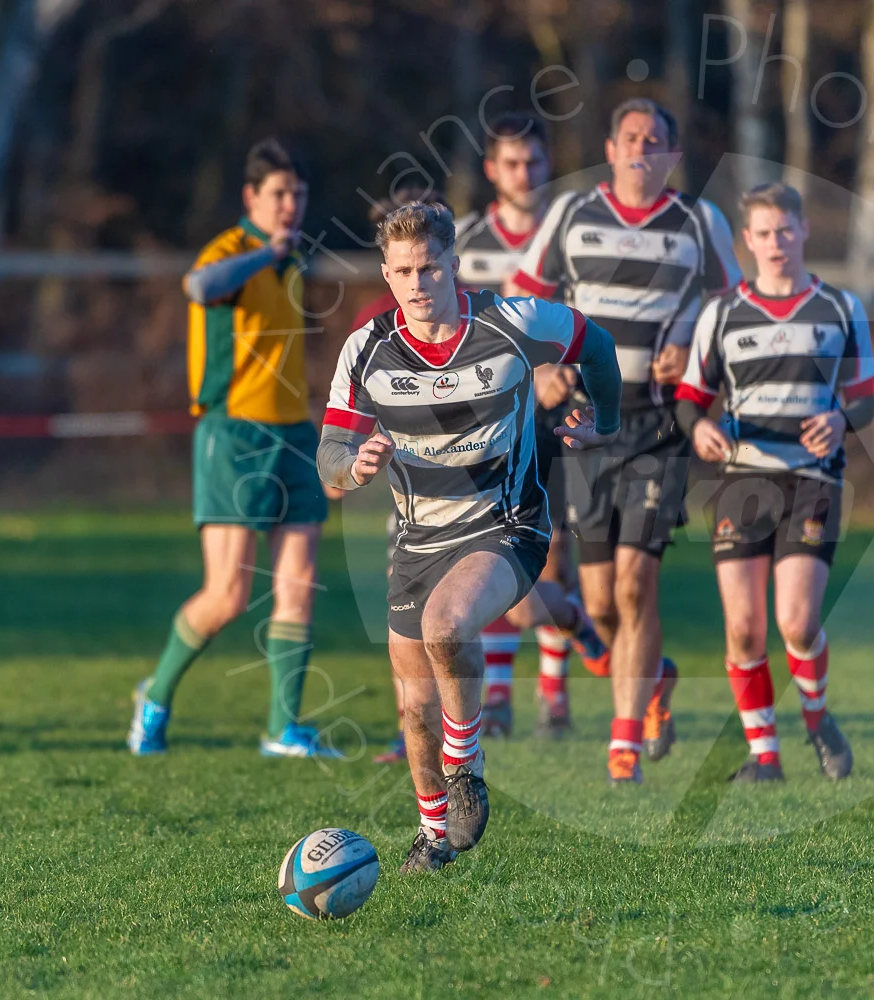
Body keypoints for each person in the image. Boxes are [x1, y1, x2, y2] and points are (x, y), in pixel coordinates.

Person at [317, 204, 622, 873]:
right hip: (417, 541)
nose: (419, 282)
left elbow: (595, 345)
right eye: (403, 271)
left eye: (429, 266)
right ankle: (433, 839)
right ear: (387, 274)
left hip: (506, 526)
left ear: (454, 262)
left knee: (446, 624)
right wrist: (352, 465)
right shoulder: (366, 350)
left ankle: (468, 763)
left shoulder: (512, 321)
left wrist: (606, 416)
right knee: (414, 704)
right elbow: (331, 455)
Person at [513, 97, 742, 784]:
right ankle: (653, 681)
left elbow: (735, 308)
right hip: (584, 423)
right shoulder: (572, 215)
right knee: (603, 601)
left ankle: (623, 745)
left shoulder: (700, 223)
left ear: (673, 156)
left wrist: (690, 343)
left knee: (639, 585)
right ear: (610, 148)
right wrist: (542, 363)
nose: (642, 148)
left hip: (657, 425)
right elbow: (521, 297)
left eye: (656, 140)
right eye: (631, 136)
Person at [129, 138, 337, 758]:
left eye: (298, 194)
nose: (291, 204)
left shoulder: (293, 261)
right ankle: (157, 695)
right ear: (251, 197)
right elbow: (198, 286)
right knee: (228, 595)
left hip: (295, 433)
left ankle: (283, 729)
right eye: (279, 193)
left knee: (299, 582)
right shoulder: (231, 253)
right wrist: (264, 256)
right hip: (234, 433)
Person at [676, 182, 874, 782]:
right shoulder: (722, 313)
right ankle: (765, 755)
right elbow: (690, 398)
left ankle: (816, 716)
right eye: (762, 233)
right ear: (747, 240)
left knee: (796, 621)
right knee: (742, 628)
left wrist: (841, 418)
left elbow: (864, 399)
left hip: (814, 481)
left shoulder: (840, 307)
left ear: (804, 230)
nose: (775, 243)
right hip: (742, 481)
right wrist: (699, 429)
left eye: (784, 231)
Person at [451, 111, 591, 740]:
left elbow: (585, 323)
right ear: (491, 170)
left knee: (553, 554)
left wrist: (562, 372)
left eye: (534, 162)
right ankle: (501, 696)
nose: (524, 173)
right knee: (489, 552)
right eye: (511, 163)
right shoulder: (465, 241)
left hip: (553, 420)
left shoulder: (568, 237)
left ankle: (554, 698)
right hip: (483, 423)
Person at [346, 184, 451, 766]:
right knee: (408, 627)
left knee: (465, 621)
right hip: (411, 506)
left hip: (488, 505)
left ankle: (471, 736)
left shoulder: (487, 318)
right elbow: (346, 431)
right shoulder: (371, 331)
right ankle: (411, 732)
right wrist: (357, 456)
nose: (417, 278)